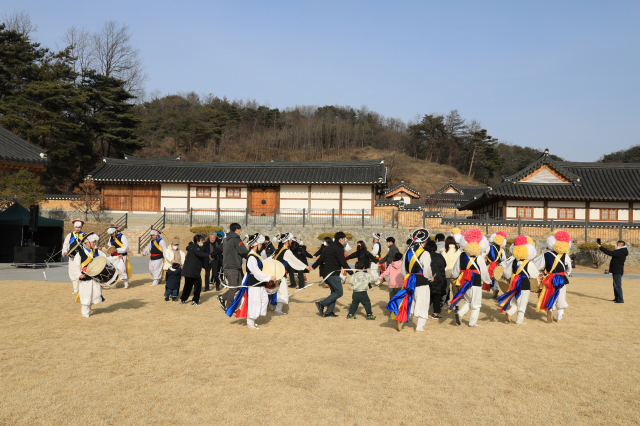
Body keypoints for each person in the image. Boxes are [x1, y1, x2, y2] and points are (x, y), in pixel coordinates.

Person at [225, 233, 276, 330]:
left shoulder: (255, 255)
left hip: (259, 283)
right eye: (261, 244)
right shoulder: (252, 257)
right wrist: (269, 278)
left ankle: (254, 317)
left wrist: (270, 258)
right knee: (255, 302)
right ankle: (250, 322)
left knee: (264, 299)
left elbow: (261, 263)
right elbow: (256, 272)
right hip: (254, 283)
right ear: (256, 245)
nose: (262, 246)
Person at [387, 229, 434, 332]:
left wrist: (407, 278)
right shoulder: (425, 253)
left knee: (410, 302)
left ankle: (402, 320)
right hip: (422, 282)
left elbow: (403, 271)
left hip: (409, 280)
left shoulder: (407, 252)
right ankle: (419, 327)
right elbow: (427, 270)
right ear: (425, 241)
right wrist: (431, 278)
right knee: (423, 303)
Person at [450, 228, 491, 327]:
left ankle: (460, 313)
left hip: (464, 282)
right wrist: (487, 281)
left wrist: (454, 278)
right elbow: (484, 272)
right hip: (475, 282)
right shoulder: (480, 258)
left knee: (468, 300)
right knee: (476, 304)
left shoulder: (461, 255)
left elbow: (455, 270)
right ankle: (472, 322)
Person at [533, 231, 573, 322]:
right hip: (561, 278)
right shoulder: (566, 256)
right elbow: (569, 270)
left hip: (549, 278)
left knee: (549, 294)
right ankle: (559, 317)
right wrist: (564, 274)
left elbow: (537, 266)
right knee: (561, 296)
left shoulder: (546, 255)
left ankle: (549, 310)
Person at [74, 233, 116, 318]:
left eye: (94, 242)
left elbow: (106, 259)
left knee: (97, 294)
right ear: (87, 242)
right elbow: (76, 266)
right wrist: (79, 275)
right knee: (86, 295)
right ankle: (85, 312)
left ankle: (88, 306)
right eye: (93, 242)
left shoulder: (97, 251)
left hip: (96, 277)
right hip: (85, 277)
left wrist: (116, 258)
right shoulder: (80, 253)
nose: (94, 243)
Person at [312, 231, 353, 317]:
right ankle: (321, 304)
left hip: (326, 273)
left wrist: (313, 266)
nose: (344, 240)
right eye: (344, 239)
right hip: (333, 274)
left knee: (334, 292)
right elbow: (343, 262)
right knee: (339, 292)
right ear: (340, 239)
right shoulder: (339, 248)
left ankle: (329, 312)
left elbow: (321, 259)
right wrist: (351, 273)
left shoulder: (328, 247)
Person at [499, 236, 539, 325]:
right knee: (523, 302)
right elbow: (535, 275)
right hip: (524, 283)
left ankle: (509, 312)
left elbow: (506, 273)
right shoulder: (529, 263)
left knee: (515, 300)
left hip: (514, 283)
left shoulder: (512, 262)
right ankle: (519, 321)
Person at [273, 232, 313, 313]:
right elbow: (295, 260)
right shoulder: (286, 251)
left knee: (275, 291)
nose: (291, 241)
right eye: (290, 240)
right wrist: (305, 266)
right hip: (280, 274)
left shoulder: (279, 250)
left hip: (275, 273)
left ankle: (274, 307)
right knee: (282, 292)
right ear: (286, 241)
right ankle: (278, 309)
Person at [218, 223, 249, 310]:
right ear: (237, 230)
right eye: (240, 229)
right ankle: (229, 307)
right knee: (233, 287)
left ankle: (223, 297)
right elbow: (243, 251)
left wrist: (212, 255)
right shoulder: (236, 239)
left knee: (239, 286)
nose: (240, 231)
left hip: (230, 266)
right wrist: (252, 258)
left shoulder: (226, 239)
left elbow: (219, 248)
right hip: (232, 267)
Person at [180, 235, 211, 306]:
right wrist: (209, 255)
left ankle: (195, 301)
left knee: (198, 287)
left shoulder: (197, 248)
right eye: (202, 240)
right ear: (198, 241)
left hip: (196, 271)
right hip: (190, 271)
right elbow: (200, 254)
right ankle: (183, 299)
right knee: (188, 286)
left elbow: (201, 258)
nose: (202, 242)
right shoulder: (194, 248)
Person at [62, 218, 85, 295]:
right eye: (76, 227)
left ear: (81, 227)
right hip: (72, 257)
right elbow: (66, 244)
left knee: (81, 272)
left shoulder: (84, 235)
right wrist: (64, 251)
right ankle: (76, 290)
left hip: (81, 257)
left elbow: (88, 245)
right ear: (74, 227)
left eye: (79, 227)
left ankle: (82, 289)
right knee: (72, 273)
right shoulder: (70, 235)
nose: (77, 228)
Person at [105, 224, 131, 289]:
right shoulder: (111, 238)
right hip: (113, 256)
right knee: (113, 271)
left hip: (121, 255)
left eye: (112, 233)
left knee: (122, 269)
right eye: (110, 234)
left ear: (116, 231)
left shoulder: (122, 237)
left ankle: (126, 282)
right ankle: (113, 285)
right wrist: (107, 247)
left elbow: (126, 247)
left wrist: (118, 249)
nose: (112, 235)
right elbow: (110, 246)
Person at [425, 239, 447, 319]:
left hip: (427, 278)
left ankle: (424, 311)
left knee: (427, 296)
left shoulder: (425, 256)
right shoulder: (439, 256)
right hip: (438, 278)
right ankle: (435, 313)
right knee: (437, 296)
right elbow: (445, 264)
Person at [485, 231, 508, 299]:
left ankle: (493, 290)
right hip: (497, 266)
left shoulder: (489, 247)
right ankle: (496, 288)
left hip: (489, 265)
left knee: (488, 278)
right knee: (496, 278)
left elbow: (484, 254)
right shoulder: (502, 250)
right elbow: (504, 259)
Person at [440, 236, 461, 306]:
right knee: (455, 289)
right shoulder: (458, 251)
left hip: (447, 272)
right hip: (457, 273)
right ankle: (456, 305)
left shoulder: (444, 251)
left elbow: (443, 262)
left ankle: (443, 302)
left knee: (446, 289)